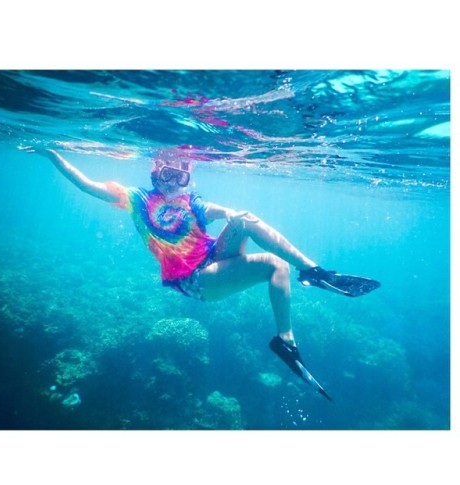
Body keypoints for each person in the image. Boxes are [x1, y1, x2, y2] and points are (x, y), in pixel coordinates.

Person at [22, 146, 379, 399]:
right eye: (166, 174)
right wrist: (52, 155)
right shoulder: (136, 199)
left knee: (251, 225)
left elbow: (228, 213)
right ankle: (294, 318)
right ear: (154, 172)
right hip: (194, 282)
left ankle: (308, 287)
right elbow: (86, 184)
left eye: (179, 176)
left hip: (214, 260)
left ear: (188, 178)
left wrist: (231, 215)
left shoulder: (194, 203)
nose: (172, 182)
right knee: (272, 263)